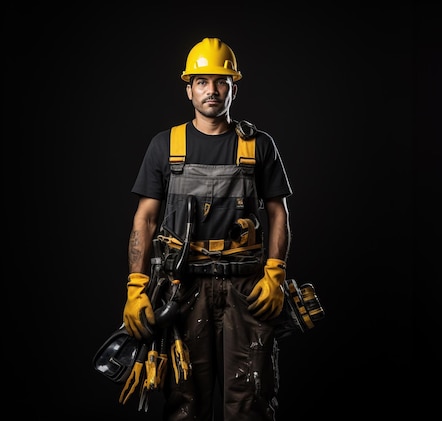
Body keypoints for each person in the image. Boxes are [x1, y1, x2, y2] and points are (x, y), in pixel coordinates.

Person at [121, 37, 293, 420]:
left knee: (250, 398)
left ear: (233, 87)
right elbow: (145, 219)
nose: (212, 90)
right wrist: (136, 286)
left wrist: (276, 274)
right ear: (189, 89)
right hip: (182, 292)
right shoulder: (165, 146)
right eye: (202, 81)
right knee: (185, 401)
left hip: (246, 290)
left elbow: (278, 214)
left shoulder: (259, 145)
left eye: (220, 81)